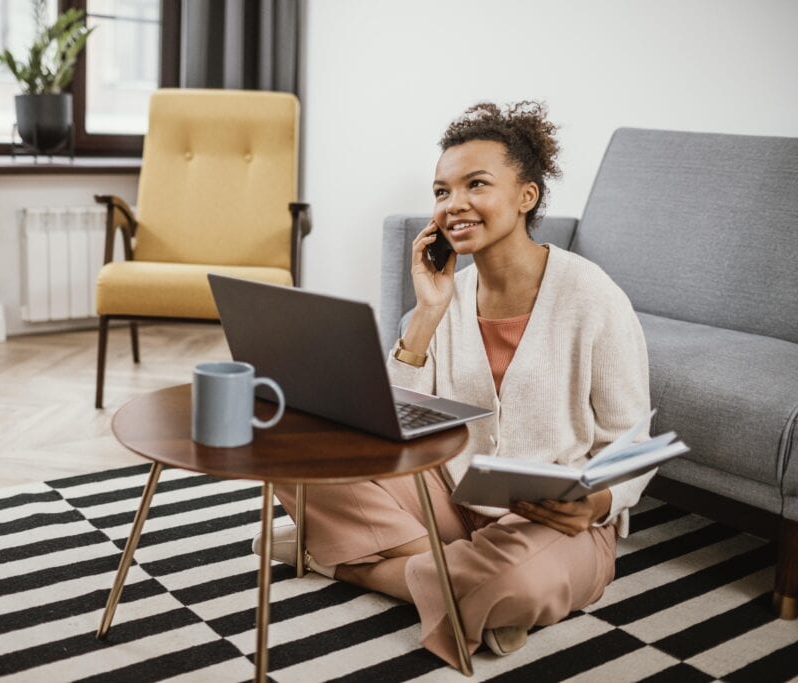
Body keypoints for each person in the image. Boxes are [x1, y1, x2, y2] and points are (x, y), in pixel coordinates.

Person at [255, 101, 653, 664]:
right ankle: (454, 580)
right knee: (296, 463)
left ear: (526, 196)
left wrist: (600, 502)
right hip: (450, 500)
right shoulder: (450, 297)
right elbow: (393, 425)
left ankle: (342, 559)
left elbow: (631, 437)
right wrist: (426, 314)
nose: (453, 204)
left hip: (554, 521)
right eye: (441, 191)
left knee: (516, 588)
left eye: (476, 185)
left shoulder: (593, 298)